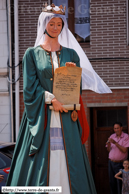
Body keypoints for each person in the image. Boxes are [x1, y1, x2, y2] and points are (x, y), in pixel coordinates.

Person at [6, 4, 111, 194]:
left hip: (66, 116)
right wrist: (51, 100)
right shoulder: (32, 54)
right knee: (43, 158)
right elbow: (29, 88)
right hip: (42, 115)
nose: (55, 28)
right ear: (43, 25)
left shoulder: (71, 54)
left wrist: (72, 72)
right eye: (51, 23)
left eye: (59, 24)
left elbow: (75, 88)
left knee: (69, 156)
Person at [106, 122, 129, 194]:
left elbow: (125, 150)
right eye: (115, 128)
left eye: (117, 128)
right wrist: (109, 145)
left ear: (121, 128)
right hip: (111, 162)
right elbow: (108, 150)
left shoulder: (126, 136)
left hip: (120, 163)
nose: (116, 130)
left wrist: (115, 143)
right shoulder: (112, 136)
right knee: (112, 182)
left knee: (120, 182)